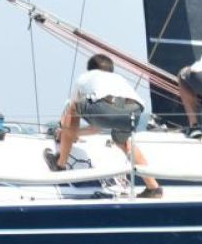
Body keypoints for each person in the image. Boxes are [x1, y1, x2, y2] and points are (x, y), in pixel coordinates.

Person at [49, 53, 162, 198]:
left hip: (104, 107)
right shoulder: (118, 79)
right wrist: (74, 133)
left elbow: (71, 112)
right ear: (111, 70)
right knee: (123, 141)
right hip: (135, 108)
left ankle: (60, 164)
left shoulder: (85, 77)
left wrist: (63, 131)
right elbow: (98, 127)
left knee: (73, 107)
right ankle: (153, 187)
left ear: (90, 69)